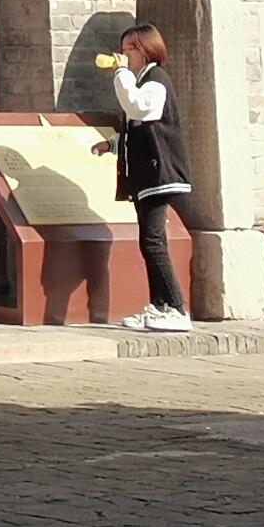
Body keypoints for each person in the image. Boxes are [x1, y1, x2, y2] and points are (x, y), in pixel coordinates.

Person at [107, 21, 193, 332]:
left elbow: (142, 110)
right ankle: (159, 306)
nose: (124, 54)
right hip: (145, 176)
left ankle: (178, 309)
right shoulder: (142, 80)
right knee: (148, 241)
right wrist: (112, 144)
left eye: (130, 48)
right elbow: (140, 130)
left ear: (146, 50)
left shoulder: (155, 80)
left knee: (154, 242)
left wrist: (121, 74)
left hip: (160, 173)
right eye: (123, 49)